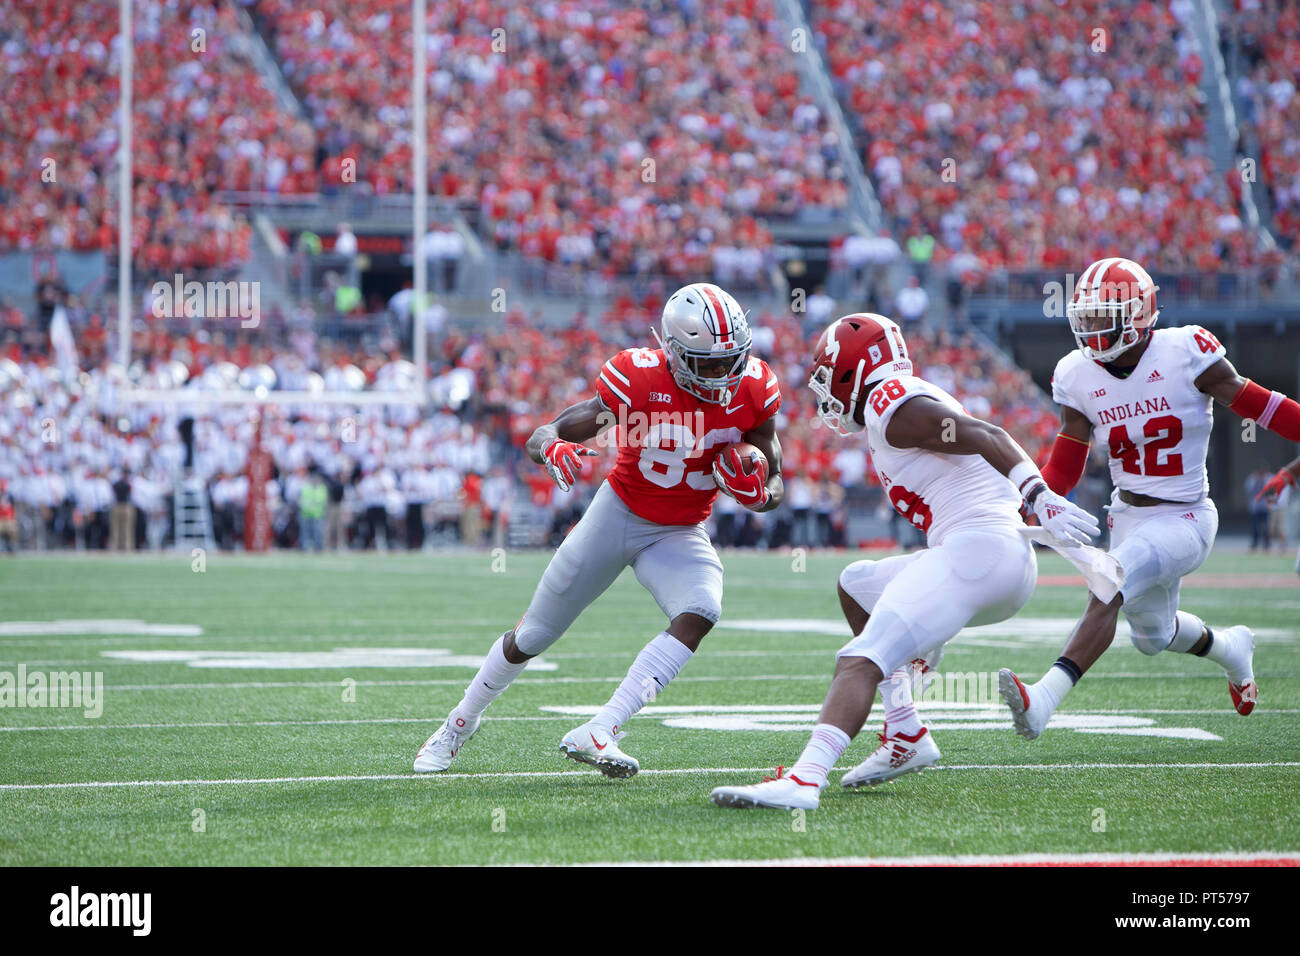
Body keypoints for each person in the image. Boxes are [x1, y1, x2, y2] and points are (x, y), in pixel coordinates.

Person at [709, 313, 1105, 809]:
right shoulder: (893, 402)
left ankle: (805, 780)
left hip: (980, 553)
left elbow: (988, 434)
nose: (825, 390)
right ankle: (905, 731)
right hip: (988, 555)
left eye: (830, 375)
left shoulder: (887, 401)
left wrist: (1039, 494)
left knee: (860, 659)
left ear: (855, 369)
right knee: (856, 585)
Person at [414, 283, 785, 777]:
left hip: (679, 529)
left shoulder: (755, 388)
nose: (722, 375)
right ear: (673, 353)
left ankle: (601, 728)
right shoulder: (639, 379)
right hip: (620, 512)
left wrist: (762, 495)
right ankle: (460, 722)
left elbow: (776, 477)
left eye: (730, 360)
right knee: (534, 635)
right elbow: (546, 432)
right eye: (707, 363)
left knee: (702, 608)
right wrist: (551, 448)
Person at [999, 257, 1300, 739]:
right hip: (1127, 515)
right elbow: (1068, 460)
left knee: (1108, 583)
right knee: (1152, 637)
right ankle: (1231, 647)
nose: (1092, 329)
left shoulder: (1186, 351)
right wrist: (1031, 503)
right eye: (1087, 316)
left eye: (1104, 317)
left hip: (1185, 517)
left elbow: (1260, 406)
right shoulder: (1076, 373)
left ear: (1138, 315)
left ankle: (1043, 700)